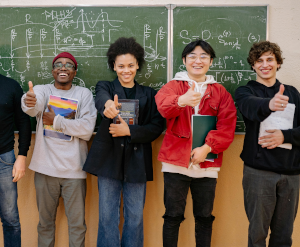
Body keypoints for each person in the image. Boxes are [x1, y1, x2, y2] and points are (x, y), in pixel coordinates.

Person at [83, 37, 164, 247]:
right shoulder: (105, 87)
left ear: (137, 65)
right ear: (113, 66)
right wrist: (108, 105)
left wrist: (130, 131)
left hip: (137, 163)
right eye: (121, 66)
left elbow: (157, 126)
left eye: (130, 65)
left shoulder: (149, 94)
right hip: (108, 160)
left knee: (135, 218)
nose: (126, 70)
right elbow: (101, 99)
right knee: (107, 217)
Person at [155, 39, 237, 247]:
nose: (197, 61)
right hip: (175, 163)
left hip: (207, 165)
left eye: (203, 56)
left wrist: (207, 148)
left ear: (210, 61)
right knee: (172, 216)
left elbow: (227, 126)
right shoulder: (173, 86)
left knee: (204, 217)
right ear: (184, 60)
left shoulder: (220, 92)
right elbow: (163, 107)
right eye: (192, 56)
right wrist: (181, 101)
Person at [21, 52, 97, 247]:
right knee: (45, 225)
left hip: (75, 172)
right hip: (45, 170)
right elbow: (32, 104)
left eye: (69, 65)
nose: (63, 67)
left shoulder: (83, 94)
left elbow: (87, 129)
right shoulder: (43, 90)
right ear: (53, 70)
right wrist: (28, 101)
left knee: (77, 226)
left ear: (75, 71)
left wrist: (55, 121)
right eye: (58, 64)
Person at [235, 41, 300, 247]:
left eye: (270, 59)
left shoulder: (293, 93)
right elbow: (249, 107)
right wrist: (269, 104)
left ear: (278, 63)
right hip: (259, 173)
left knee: (283, 236)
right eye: (259, 60)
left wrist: (285, 136)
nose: (265, 64)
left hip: (291, 174)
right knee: (257, 235)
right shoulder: (245, 92)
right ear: (253, 65)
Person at [0, 74, 31, 247]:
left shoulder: (11, 86)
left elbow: (24, 122)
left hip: (4, 160)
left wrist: (21, 156)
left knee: (10, 218)